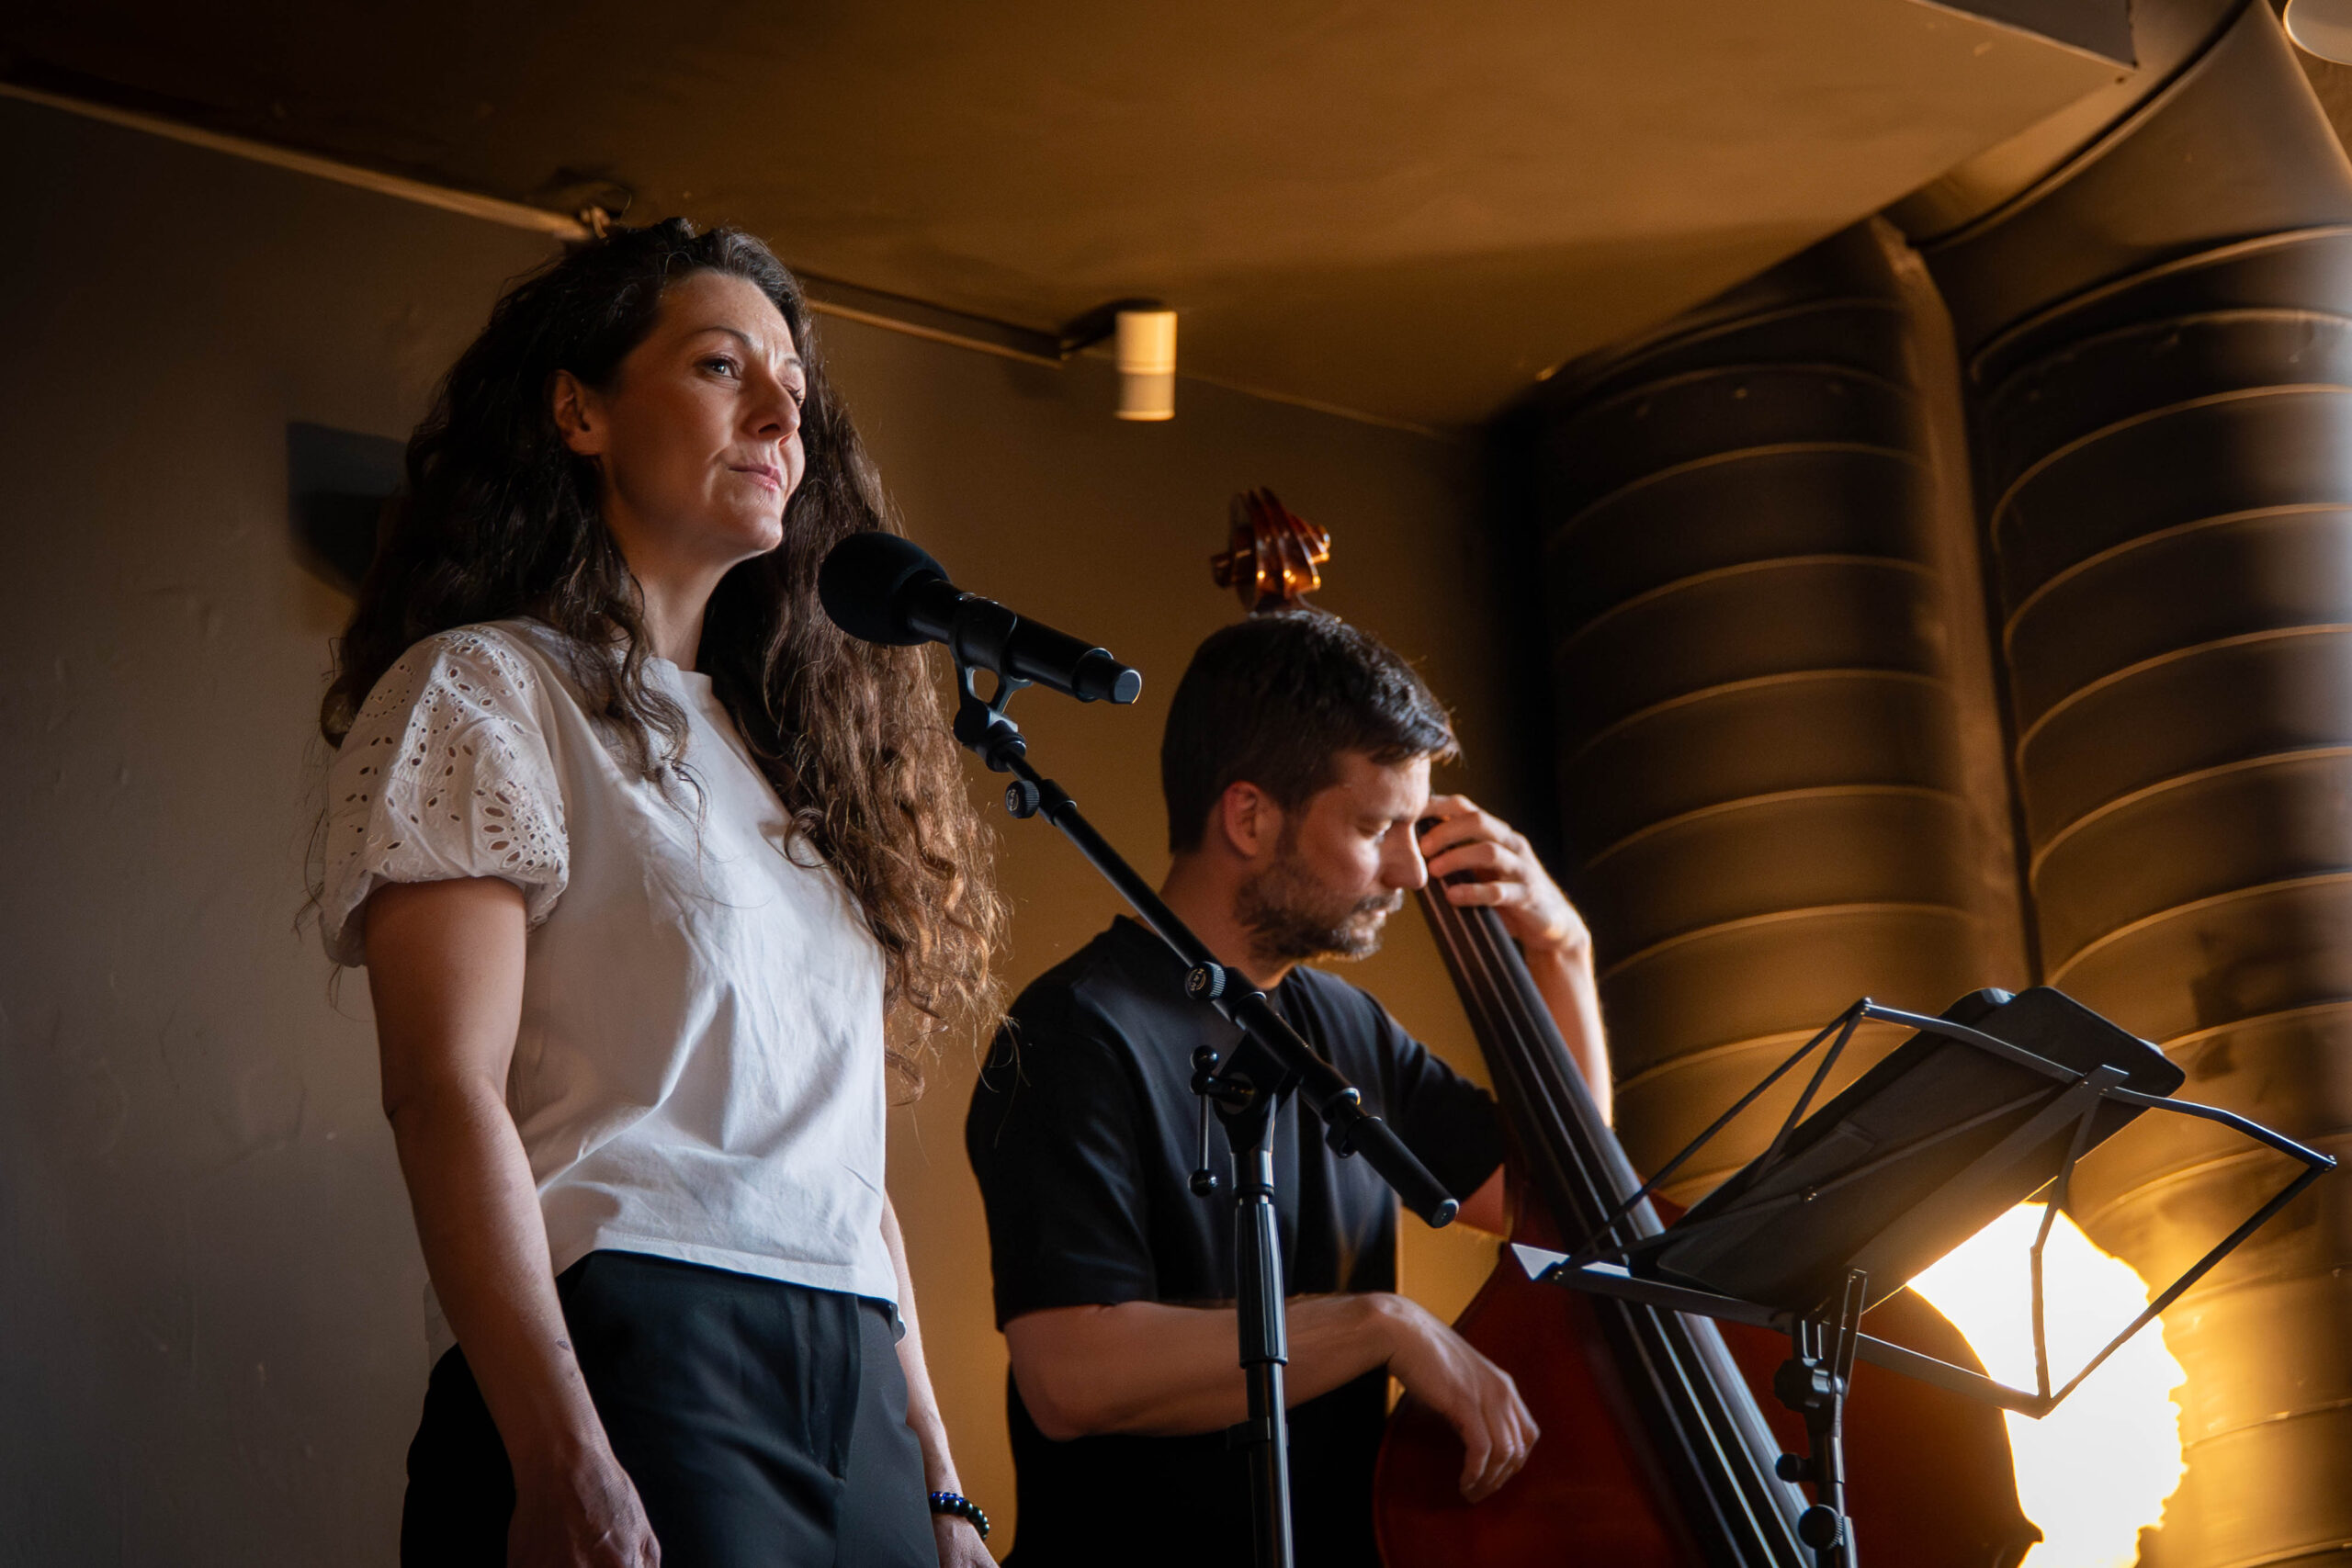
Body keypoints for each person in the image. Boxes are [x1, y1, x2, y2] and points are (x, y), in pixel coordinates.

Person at [315, 219, 1001, 1568]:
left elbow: (840, 1171)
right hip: (640, 1341)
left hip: (854, 1375)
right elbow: (442, 1090)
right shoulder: (488, 688)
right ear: (579, 410)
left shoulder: (796, 762)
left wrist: (941, 1485)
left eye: (793, 389)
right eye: (720, 366)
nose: (779, 417)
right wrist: (558, 1449)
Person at [964, 609, 1612, 1566]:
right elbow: (1071, 1376)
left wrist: (1563, 951)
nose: (1411, 869)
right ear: (1250, 817)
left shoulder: (1346, 1027)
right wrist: (1379, 1325)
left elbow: (1565, 1206)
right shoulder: (1073, 1032)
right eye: (1376, 826)